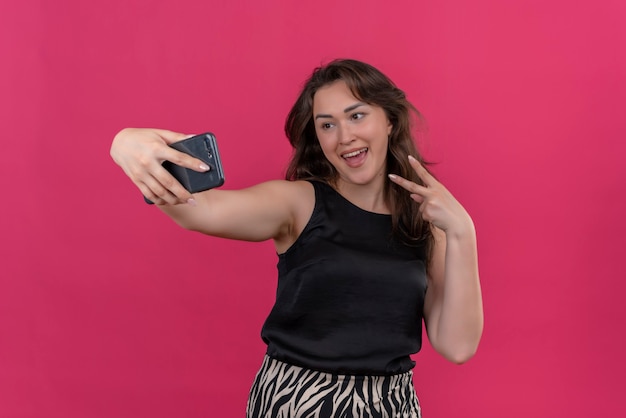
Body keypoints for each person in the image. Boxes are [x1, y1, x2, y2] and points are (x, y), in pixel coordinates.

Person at [110, 59, 483, 417]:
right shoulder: (299, 202)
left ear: (389, 120)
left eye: (356, 115)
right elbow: (200, 211)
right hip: (297, 401)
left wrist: (463, 232)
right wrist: (124, 144)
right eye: (327, 125)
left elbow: (457, 346)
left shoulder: (426, 222)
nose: (344, 136)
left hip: (391, 405)